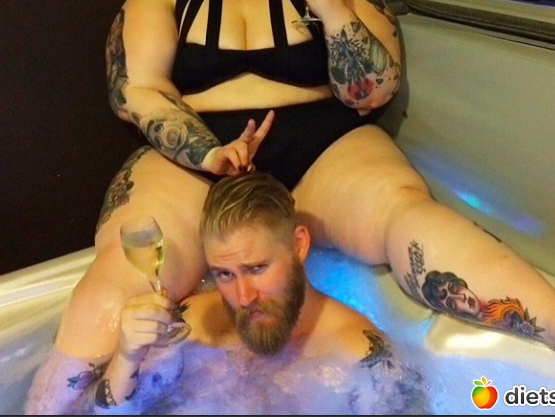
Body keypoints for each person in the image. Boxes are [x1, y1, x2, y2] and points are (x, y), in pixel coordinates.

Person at [26, 0, 555, 412]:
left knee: (405, 212)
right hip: (200, 157)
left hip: (322, 148)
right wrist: (208, 152)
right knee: (127, 264)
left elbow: (373, 91)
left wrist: (334, 9)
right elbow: (136, 92)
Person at [27, 172, 422, 415]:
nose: (243, 295)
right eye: (224, 274)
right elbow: (106, 412)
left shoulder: (360, 354)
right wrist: (127, 356)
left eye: (257, 268)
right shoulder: (193, 324)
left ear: (298, 246)